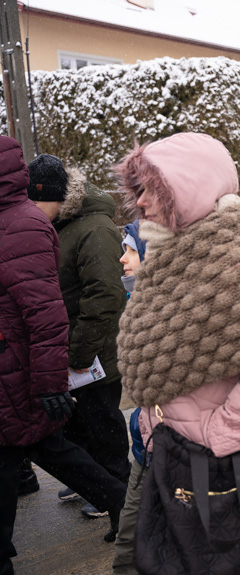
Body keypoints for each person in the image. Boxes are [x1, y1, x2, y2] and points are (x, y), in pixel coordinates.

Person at [114, 132, 240, 574]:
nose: (140, 203)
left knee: (231, 558)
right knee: (158, 554)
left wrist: (216, 436)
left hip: (217, 453)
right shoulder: (169, 254)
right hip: (166, 445)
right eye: (137, 190)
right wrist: (154, 426)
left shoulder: (239, 260)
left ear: (185, 186)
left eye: (149, 189)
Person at [1, 136, 127, 575]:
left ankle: (123, 504)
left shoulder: (85, 227)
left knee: (103, 429)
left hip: (80, 358)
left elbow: (94, 297)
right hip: (51, 360)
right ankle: (116, 500)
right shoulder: (45, 224)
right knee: (71, 438)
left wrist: (72, 360)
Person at [26, 155, 131, 519]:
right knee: (79, 420)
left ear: (58, 197)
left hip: (95, 350)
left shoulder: (95, 228)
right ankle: (94, 480)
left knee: (103, 422)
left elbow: (105, 294)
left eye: (39, 203)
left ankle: (117, 486)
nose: (34, 211)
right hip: (72, 347)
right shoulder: (58, 225)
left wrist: (80, 352)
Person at [112, 220, 147, 575]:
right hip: (145, 446)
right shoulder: (139, 302)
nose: (122, 259)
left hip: (180, 455)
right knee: (127, 547)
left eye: (131, 250)